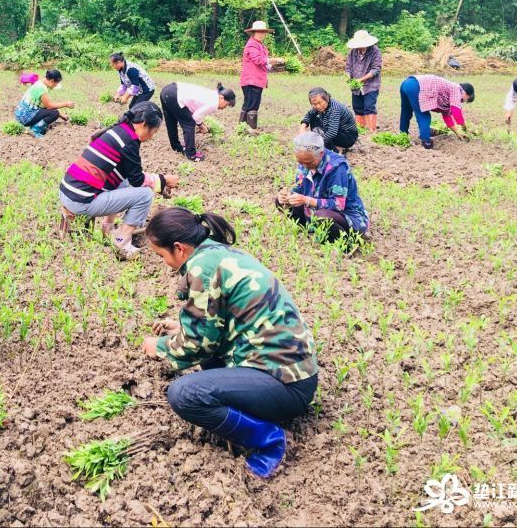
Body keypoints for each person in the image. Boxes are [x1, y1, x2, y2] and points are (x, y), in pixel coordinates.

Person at [140, 207, 317, 478]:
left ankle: (270, 440)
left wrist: (161, 346)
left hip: (285, 385)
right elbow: (219, 319)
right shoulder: (221, 253)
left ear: (179, 248)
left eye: (161, 255)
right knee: (202, 367)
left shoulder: (202, 267)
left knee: (184, 394)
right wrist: (181, 327)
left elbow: (199, 345)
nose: (164, 263)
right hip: (293, 373)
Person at [59, 102, 179, 260]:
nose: (151, 138)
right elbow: (137, 181)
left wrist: (159, 183)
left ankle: (106, 229)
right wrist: (163, 180)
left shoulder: (118, 132)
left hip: (69, 191)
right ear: (143, 125)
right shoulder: (129, 142)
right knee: (145, 195)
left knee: (123, 181)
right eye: (153, 132)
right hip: (81, 200)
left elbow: (130, 175)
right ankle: (121, 242)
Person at [276, 131, 369, 242]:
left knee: (322, 216)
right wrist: (287, 196)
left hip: (346, 216)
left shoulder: (337, 167)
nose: (305, 166)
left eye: (309, 162)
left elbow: (338, 205)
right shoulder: (305, 163)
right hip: (313, 211)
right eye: (301, 162)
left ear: (321, 153)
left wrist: (306, 200)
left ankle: (344, 242)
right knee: (279, 201)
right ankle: (311, 230)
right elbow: (300, 188)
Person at [159, 81, 236, 161]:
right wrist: (201, 126)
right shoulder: (214, 103)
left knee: (171, 120)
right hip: (175, 95)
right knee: (189, 124)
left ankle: (176, 147)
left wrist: (201, 124)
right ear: (221, 97)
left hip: (167, 90)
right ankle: (192, 155)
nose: (224, 107)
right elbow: (196, 116)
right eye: (226, 104)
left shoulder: (213, 94)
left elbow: (193, 107)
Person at [399, 74, 474, 149]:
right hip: (416, 86)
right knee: (423, 115)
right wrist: (464, 127)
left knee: (406, 112)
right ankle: (426, 141)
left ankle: (403, 135)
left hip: (406, 83)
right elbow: (456, 113)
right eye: (467, 99)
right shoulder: (457, 90)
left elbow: (447, 118)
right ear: (466, 93)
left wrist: (458, 133)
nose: (463, 102)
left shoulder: (449, 93)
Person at [14, 69, 75, 138]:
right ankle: (35, 130)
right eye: (56, 84)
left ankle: (35, 126)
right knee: (54, 113)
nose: (55, 86)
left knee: (54, 112)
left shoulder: (39, 83)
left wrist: (62, 116)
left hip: (20, 115)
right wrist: (65, 104)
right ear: (52, 81)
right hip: (25, 117)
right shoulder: (42, 89)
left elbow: (44, 106)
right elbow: (49, 106)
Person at [345, 29, 382, 132]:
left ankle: (371, 131)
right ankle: (360, 131)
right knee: (357, 107)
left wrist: (361, 79)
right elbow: (348, 67)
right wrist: (348, 77)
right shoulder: (352, 52)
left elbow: (376, 69)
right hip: (355, 86)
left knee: (369, 107)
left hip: (371, 85)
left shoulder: (375, 51)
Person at [299, 87, 358, 152]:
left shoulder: (334, 109)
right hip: (336, 131)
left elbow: (332, 132)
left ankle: (335, 151)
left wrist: (316, 144)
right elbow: (309, 115)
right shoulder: (321, 106)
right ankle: (329, 145)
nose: (318, 106)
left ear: (326, 98)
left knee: (322, 132)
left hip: (348, 137)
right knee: (313, 119)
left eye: (320, 103)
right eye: (314, 104)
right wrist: (303, 127)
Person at [239, 20, 273, 129]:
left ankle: (243, 128)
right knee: (252, 105)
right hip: (251, 80)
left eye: (263, 32)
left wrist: (269, 65)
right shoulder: (252, 45)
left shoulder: (260, 45)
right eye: (259, 32)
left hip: (256, 80)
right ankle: (249, 129)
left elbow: (262, 62)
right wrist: (273, 60)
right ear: (253, 33)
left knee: (249, 104)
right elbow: (258, 60)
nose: (261, 34)